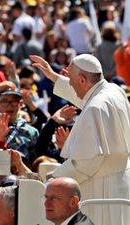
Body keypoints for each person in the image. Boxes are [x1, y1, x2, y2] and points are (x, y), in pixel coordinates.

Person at [30, 54, 130, 225]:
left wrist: (53, 178)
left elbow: (86, 163)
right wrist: (54, 76)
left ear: (83, 79)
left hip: (101, 188)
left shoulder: (94, 107)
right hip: (121, 182)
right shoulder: (114, 90)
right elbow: (85, 95)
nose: (70, 83)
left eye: (71, 80)